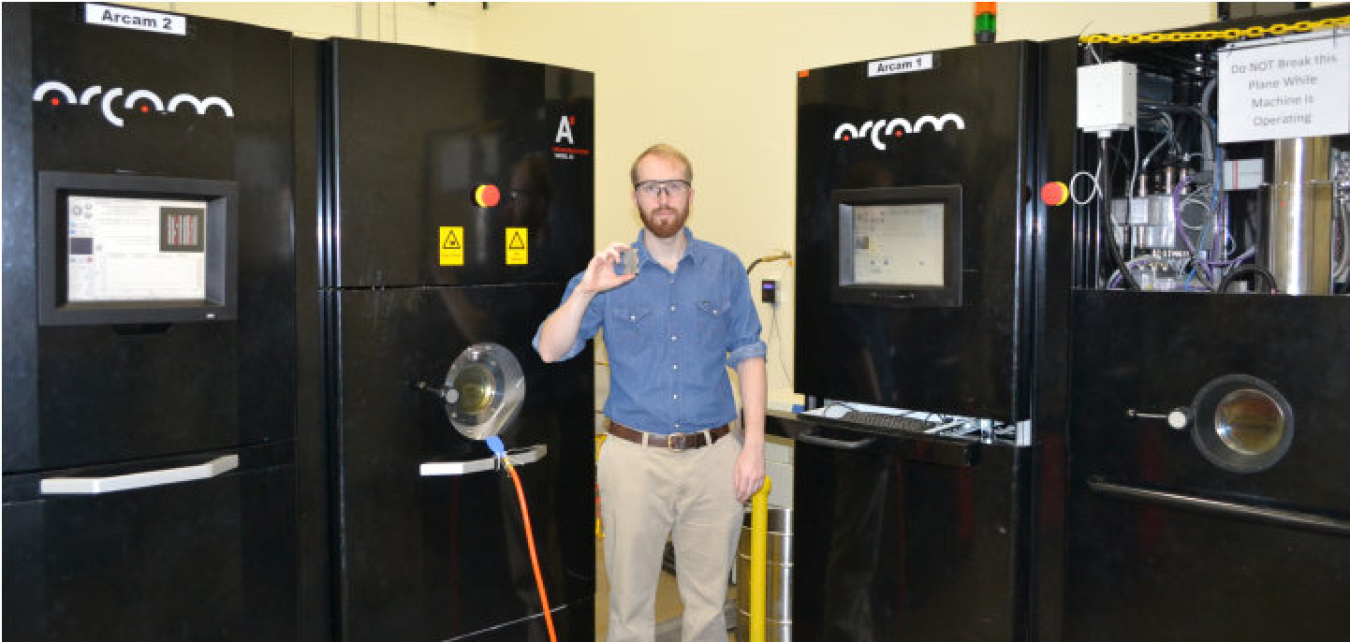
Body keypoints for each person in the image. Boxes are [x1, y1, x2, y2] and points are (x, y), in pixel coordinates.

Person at [534, 143, 767, 642]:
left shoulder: (724, 267)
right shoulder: (609, 271)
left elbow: (750, 352)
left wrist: (752, 447)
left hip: (714, 459)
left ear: (690, 195)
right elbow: (550, 349)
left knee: (708, 611)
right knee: (630, 613)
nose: (663, 197)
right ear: (636, 198)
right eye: (650, 187)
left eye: (673, 186)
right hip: (634, 460)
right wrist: (587, 290)